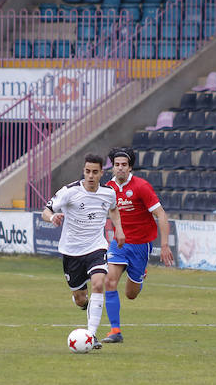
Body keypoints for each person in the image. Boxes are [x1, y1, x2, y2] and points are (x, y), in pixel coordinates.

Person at [42, 154, 125, 350]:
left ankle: (91, 335)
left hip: (96, 247)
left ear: (101, 173)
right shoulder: (69, 191)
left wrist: (119, 229)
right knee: (81, 297)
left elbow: (113, 209)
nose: (90, 176)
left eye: (95, 172)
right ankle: (82, 303)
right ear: (84, 171)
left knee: (98, 284)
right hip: (71, 251)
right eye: (87, 171)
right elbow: (46, 210)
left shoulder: (108, 193)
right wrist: (52, 218)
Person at [101, 147, 174, 344]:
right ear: (112, 168)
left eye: (124, 165)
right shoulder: (108, 188)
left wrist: (165, 244)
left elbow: (161, 214)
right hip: (119, 243)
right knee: (109, 281)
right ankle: (115, 330)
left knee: (131, 294)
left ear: (130, 167)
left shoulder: (141, 186)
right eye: (117, 165)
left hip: (141, 245)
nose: (120, 168)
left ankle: (140, 277)